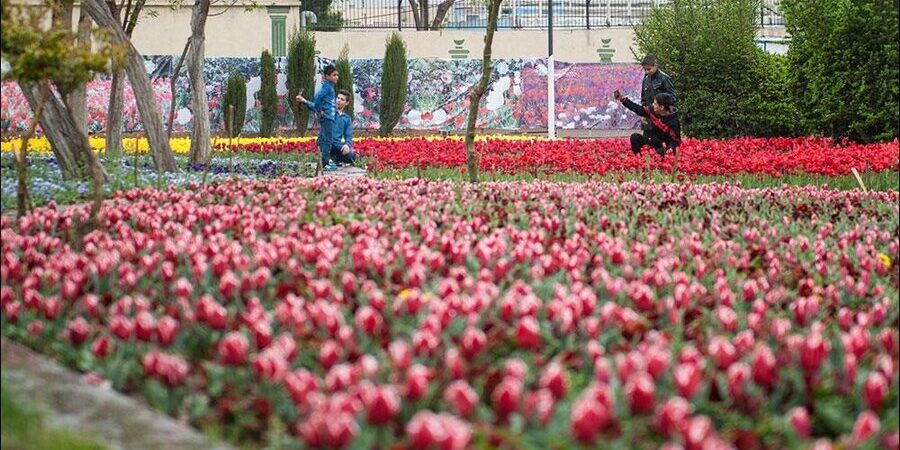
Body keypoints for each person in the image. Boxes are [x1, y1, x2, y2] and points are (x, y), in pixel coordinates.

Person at [296, 65, 339, 171]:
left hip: (329, 117)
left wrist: (304, 101)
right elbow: (317, 98)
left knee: (322, 139)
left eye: (337, 75)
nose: (336, 77)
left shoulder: (330, 86)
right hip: (327, 117)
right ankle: (325, 162)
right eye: (334, 75)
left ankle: (321, 159)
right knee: (328, 140)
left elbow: (317, 102)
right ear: (327, 76)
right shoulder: (327, 87)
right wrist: (320, 111)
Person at [614, 90, 680, 157]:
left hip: (666, 147)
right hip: (653, 142)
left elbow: (676, 141)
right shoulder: (652, 111)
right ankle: (638, 157)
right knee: (635, 137)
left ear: (662, 107)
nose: (653, 105)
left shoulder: (673, 122)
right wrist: (623, 99)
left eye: (655, 104)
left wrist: (670, 148)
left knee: (660, 152)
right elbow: (638, 109)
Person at [639, 55, 676, 132]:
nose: (647, 72)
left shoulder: (664, 78)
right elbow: (643, 98)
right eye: (645, 70)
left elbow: (672, 97)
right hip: (649, 117)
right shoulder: (645, 79)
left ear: (655, 66)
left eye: (649, 69)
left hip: (662, 117)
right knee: (646, 141)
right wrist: (642, 114)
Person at [330, 89, 356, 166]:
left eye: (342, 99)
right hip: (327, 144)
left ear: (346, 103)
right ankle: (330, 158)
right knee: (325, 156)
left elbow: (348, 135)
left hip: (337, 145)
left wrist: (347, 145)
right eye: (338, 98)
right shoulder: (329, 112)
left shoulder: (346, 118)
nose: (338, 101)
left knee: (352, 156)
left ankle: (334, 158)